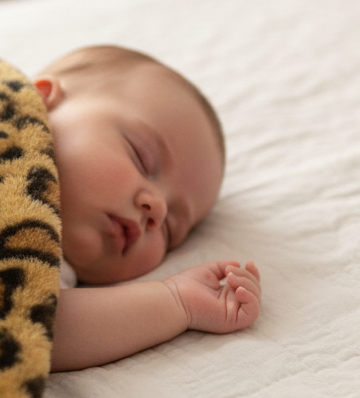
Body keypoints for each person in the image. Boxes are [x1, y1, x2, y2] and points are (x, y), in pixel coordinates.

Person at [37, 45, 261, 371]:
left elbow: (36, 330)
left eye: (171, 228)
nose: (155, 208)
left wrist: (177, 301)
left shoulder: (43, 265)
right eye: (142, 157)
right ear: (42, 99)